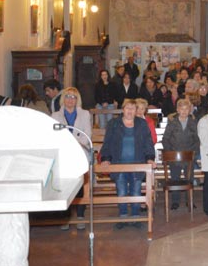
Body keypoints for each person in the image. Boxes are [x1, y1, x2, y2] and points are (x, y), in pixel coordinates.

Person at [99, 98, 156, 228]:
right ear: (123, 109)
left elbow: (148, 142)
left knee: (136, 192)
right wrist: (106, 159)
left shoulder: (142, 124)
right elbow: (107, 143)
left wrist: (150, 158)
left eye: (133, 108)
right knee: (122, 192)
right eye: (127, 108)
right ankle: (123, 217)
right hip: (119, 164)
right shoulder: (113, 123)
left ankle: (136, 217)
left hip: (138, 163)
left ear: (136, 110)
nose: (130, 111)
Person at [52, 87, 93, 230]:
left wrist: (72, 142)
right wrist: (66, 144)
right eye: (68, 96)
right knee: (65, 185)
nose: (70, 100)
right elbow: (54, 136)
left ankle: (81, 214)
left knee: (80, 184)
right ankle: (66, 216)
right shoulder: (55, 115)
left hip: (80, 152)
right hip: (63, 154)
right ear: (63, 98)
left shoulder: (85, 114)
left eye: (73, 97)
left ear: (77, 99)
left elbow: (87, 135)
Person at [161, 98, 200, 210]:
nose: (184, 111)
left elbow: (197, 140)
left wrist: (193, 153)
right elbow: (165, 139)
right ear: (177, 109)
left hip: (189, 156)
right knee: (175, 179)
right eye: (181, 109)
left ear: (189, 110)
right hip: (175, 157)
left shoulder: (193, 122)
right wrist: (171, 153)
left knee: (190, 179)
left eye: (186, 109)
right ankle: (175, 201)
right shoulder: (172, 122)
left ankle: (190, 201)